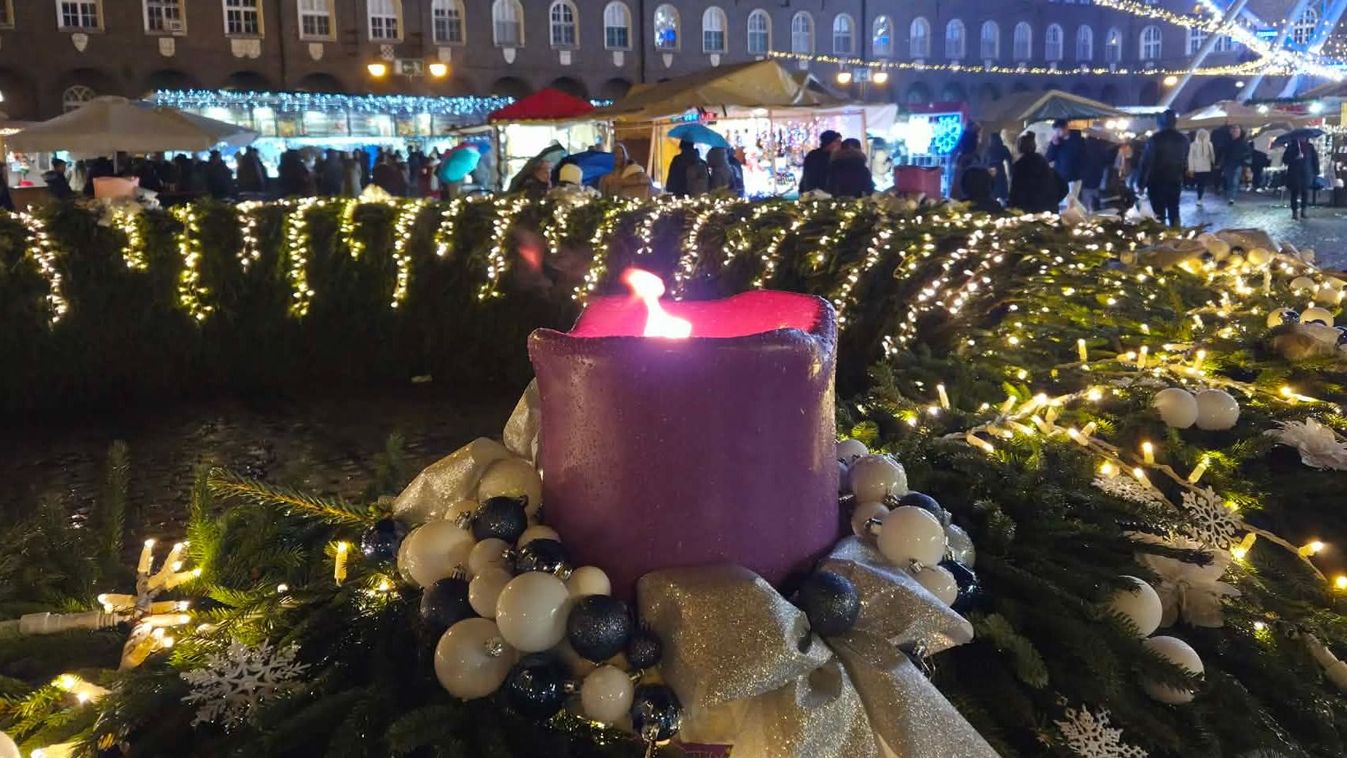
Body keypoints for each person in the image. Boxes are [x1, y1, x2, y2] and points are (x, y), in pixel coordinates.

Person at [1139, 109, 1189, 228]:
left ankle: (1161, 239)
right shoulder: (1183, 139)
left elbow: (1146, 162)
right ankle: (1176, 236)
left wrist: (1141, 184)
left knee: (1158, 213)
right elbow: (1184, 160)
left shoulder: (1155, 139)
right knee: (1174, 210)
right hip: (1175, 179)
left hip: (1156, 181)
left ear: (1160, 122)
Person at [1008, 132, 1064, 214]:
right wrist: (1053, 200)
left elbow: (1015, 190)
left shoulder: (1019, 166)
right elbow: (1063, 187)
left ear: (1020, 148)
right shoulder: (1044, 164)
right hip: (1050, 210)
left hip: (1028, 211)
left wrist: (1013, 206)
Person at [1045, 119, 1085, 202]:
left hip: (1074, 177)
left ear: (1066, 128)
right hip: (1060, 177)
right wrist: (1054, 145)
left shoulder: (1078, 140)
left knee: (1070, 202)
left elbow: (1083, 158)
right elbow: (1049, 158)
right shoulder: (1057, 141)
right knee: (1060, 202)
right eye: (1056, 131)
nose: (1057, 133)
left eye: (1059, 130)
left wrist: (1081, 172)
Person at [1283, 137, 1319, 220]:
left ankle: (1303, 210)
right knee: (1294, 192)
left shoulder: (1310, 147)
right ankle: (1294, 212)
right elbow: (1285, 160)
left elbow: (1314, 159)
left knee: (1305, 192)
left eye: (1304, 137)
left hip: (1306, 172)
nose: (1303, 139)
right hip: (1294, 173)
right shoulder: (1292, 146)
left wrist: (1316, 171)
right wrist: (1295, 157)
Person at [799, 130, 842, 194]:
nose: (840, 144)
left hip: (821, 193)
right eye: (837, 141)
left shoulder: (835, 156)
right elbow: (810, 176)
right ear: (829, 143)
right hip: (816, 193)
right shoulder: (815, 156)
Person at [1220, 125, 1251, 205]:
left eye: (1237, 131)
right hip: (1228, 164)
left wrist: (1244, 162)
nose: (1236, 133)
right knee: (1229, 180)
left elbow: (1247, 153)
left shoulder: (1243, 143)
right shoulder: (1227, 142)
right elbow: (1223, 153)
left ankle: (1231, 197)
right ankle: (1230, 195)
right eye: (1234, 131)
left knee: (1234, 181)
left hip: (1237, 164)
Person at [1187, 129, 1215, 207]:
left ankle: (1200, 197)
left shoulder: (1210, 144)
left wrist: (1214, 163)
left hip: (1206, 167)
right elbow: (1190, 157)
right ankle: (1199, 197)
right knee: (1200, 183)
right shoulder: (1193, 145)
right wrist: (1191, 168)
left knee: (1202, 183)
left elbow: (1212, 155)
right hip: (1197, 168)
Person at [985, 132, 1013, 202]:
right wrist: (1011, 171)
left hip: (990, 169)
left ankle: (993, 200)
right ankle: (1002, 200)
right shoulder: (1003, 148)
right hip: (999, 167)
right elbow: (1009, 159)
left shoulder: (988, 149)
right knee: (1000, 185)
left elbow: (984, 161)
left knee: (993, 185)